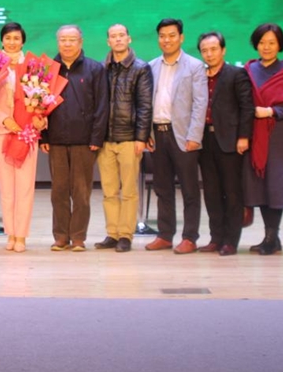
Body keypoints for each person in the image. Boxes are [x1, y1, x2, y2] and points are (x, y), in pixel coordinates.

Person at [40, 25, 109, 252]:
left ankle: (78, 237)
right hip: (56, 139)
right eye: (63, 40)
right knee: (58, 191)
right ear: (57, 42)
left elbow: (102, 106)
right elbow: (39, 105)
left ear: (81, 42)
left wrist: (96, 138)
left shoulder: (95, 69)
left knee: (81, 192)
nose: (67, 44)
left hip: (84, 140)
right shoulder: (48, 69)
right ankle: (61, 236)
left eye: (72, 39)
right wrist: (44, 136)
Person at [145, 18, 207, 254]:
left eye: (171, 35)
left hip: (183, 135)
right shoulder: (151, 66)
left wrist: (195, 136)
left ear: (181, 38)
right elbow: (146, 103)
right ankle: (165, 235)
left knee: (190, 189)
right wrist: (147, 132)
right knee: (162, 188)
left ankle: (190, 237)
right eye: (162, 36)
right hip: (158, 133)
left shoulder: (195, 66)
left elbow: (200, 104)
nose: (166, 40)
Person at [243, 23, 283, 256]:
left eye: (271, 42)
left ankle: (271, 237)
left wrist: (271, 111)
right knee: (259, 184)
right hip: (254, 133)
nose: (266, 47)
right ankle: (271, 238)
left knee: (276, 183)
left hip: (278, 133)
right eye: (262, 42)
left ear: (280, 45)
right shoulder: (249, 69)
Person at [94, 24, 152, 253]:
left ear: (129, 39)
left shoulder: (141, 68)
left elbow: (145, 105)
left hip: (129, 139)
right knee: (109, 191)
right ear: (108, 41)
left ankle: (126, 235)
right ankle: (112, 233)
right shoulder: (101, 68)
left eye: (121, 35)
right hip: (105, 139)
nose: (117, 39)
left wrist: (141, 137)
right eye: (113, 36)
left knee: (128, 191)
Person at [0, 22, 45, 254]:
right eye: (8, 38)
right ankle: (10, 233)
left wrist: (41, 119)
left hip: (26, 131)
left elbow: (41, 99)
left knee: (25, 186)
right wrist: (4, 120)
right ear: (2, 40)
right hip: (1, 131)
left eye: (16, 38)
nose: (12, 42)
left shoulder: (33, 66)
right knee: (7, 187)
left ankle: (21, 235)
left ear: (23, 41)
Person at [196, 32, 253, 256]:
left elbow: (247, 107)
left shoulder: (236, 74)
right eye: (204, 50)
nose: (209, 54)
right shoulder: (199, 75)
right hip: (205, 140)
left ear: (223, 50)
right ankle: (215, 238)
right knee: (211, 192)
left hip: (230, 141)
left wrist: (243, 136)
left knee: (232, 192)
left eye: (213, 49)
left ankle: (230, 240)